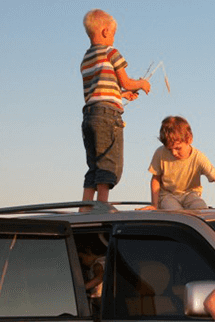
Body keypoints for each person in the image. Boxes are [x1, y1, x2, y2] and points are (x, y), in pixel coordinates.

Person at [80, 9, 151, 204]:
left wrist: (121, 94)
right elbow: (126, 81)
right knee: (109, 163)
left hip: (89, 115)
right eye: (112, 33)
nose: (113, 37)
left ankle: (85, 208)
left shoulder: (86, 58)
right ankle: (102, 206)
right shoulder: (111, 52)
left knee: (94, 164)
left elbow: (99, 88)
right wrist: (141, 83)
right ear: (105, 31)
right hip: (108, 116)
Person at [140, 116, 215, 211]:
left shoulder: (198, 158)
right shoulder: (160, 153)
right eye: (170, 149)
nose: (174, 153)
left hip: (190, 194)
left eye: (178, 148)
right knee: (177, 215)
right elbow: (156, 179)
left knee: (201, 212)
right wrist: (154, 205)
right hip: (168, 195)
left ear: (189, 140)